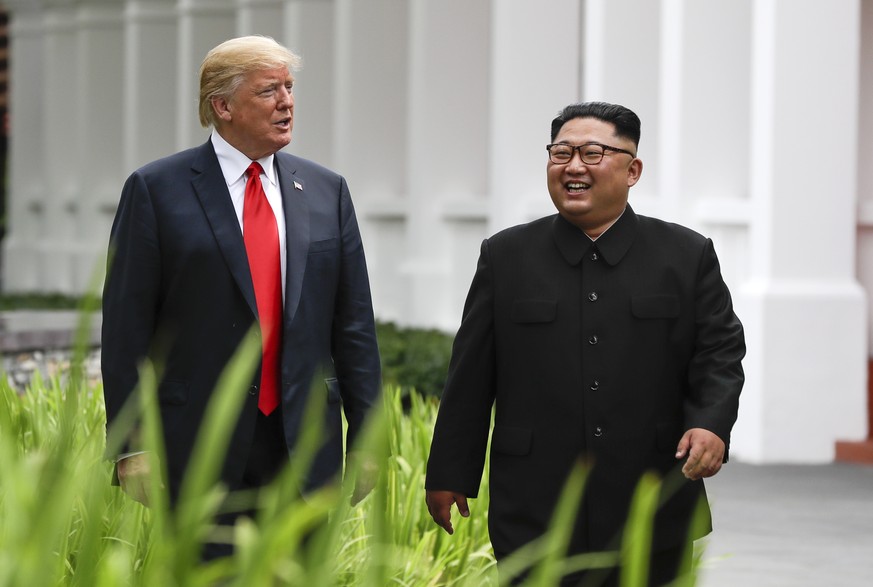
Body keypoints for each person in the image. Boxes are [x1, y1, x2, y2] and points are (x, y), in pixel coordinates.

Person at [425, 101, 745, 586]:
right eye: (561, 153)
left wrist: (711, 424)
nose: (574, 166)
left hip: (652, 496)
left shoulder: (685, 255)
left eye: (593, 153)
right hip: (535, 504)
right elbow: (471, 375)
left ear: (633, 169)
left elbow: (720, 351)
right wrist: (450, 472)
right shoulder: (506, 257)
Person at [101, 35, 381, 558]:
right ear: (222, 106)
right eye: (269, 90)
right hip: (198, 447)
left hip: (305, 446)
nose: (287, 102)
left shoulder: (327, 192)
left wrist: (367, 438)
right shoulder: (156, 190)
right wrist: (131, 442)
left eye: (290, 88)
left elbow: (354, 326)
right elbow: (126, 328)